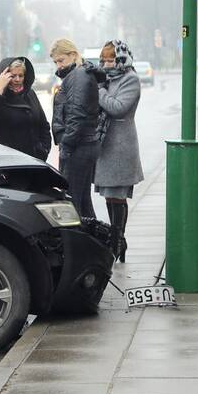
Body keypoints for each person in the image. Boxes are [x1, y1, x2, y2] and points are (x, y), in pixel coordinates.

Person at [95, 40, 144, 262]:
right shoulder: (106, 78)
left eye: (111, 59)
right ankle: (117, 241)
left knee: (118, 196)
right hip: (106, 144)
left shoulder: (130, 79)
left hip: (122, 145)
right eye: (104, 59)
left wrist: (99, 91)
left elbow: (117, 107)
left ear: (122, 58)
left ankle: (118, 241)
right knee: (109, 195)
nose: (106, 64)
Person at [50, 38, 100, 219]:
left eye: (61, 60)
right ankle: (95, 244)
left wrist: (67, 146)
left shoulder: (78, 76)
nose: (58, 65)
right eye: (55, 62)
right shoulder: (79, 74)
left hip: (78, 146)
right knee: (82, 201)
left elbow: (76, 114)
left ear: (73, 55)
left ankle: (78, 244)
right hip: (84, 144)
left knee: (71, 204)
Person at [0, 56, 51, 160]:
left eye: (21, 76)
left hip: (32, 162)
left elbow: (43, 125)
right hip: (4, 165)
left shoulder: (30, 94)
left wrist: (44, 150)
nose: (17, 79)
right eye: (13, 76)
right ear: (3, 76)